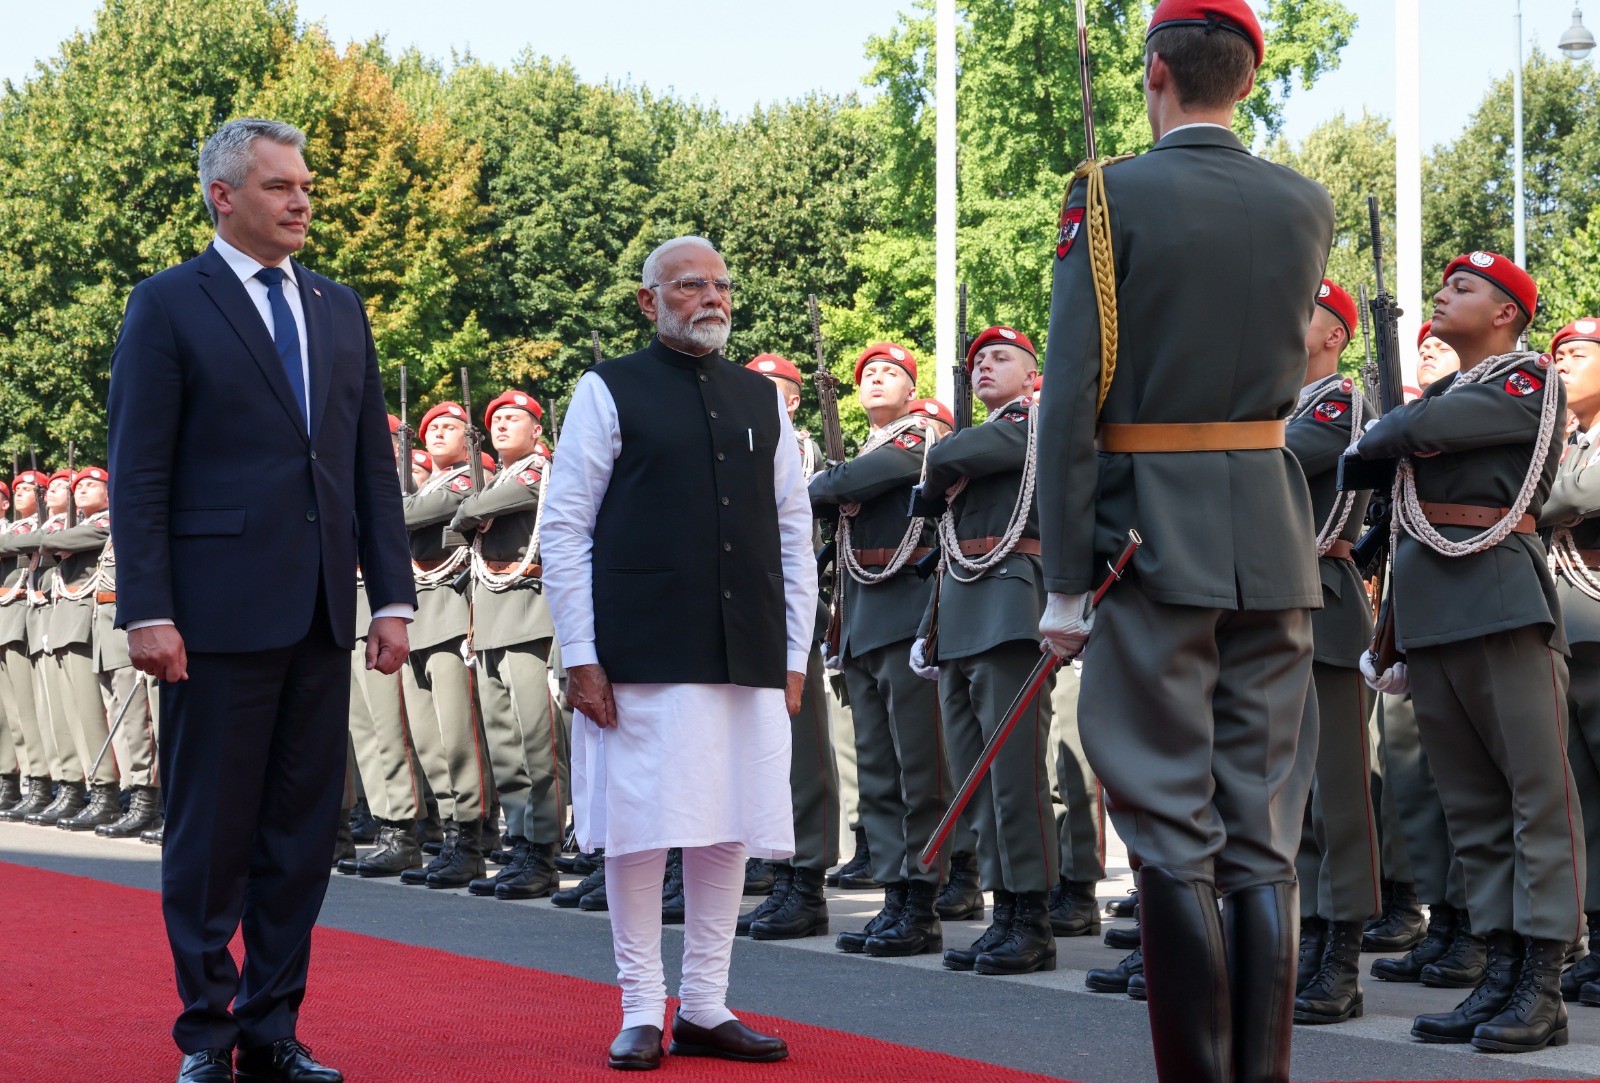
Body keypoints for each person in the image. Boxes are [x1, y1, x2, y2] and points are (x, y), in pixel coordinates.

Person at [1035, 3, 1335, 1079]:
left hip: (1147, 539)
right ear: (1246, 81)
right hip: (1268, 526)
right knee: (1261, 834)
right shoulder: (1305, 202)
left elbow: (1069, 400)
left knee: (1168, 828)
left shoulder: (1106, 191)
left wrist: (1064, 578)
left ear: (1156, 71)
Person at [107, 117, 414, 1083]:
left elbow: (370, 468)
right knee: (211, 833)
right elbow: (139, 470)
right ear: (223, 196)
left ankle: (272, 1026)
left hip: (322, 611)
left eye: (307, 186)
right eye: (281, 186)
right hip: (213, 618)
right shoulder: (167, 305)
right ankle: (207, 1031)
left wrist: (394, 596)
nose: (302, 201)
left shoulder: (338, 306)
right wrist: (146, 606)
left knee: (300, 831)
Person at [541, 235, 812, 1071]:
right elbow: (564, 527)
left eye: (722, 284)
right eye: (691, 284)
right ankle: (639, 1007)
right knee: (638, 830)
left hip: (748, 647)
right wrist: (581, 653)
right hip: (638, 650)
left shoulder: (763, 399)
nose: (712, 297)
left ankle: (703, 1004)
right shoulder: (606, 388)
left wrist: (797, 651)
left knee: (726, 823)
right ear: (648, 300)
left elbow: (795, 533)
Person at [1356, 251, 1580, 1053]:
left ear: (1507, 314)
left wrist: (1388, 434)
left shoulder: (1525, 382)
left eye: (1465, 288)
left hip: (1498, 602)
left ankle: (1542, 983)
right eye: (1445, 284)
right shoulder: (1457, 389)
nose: (1444, 296)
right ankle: (1497, 967)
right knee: (1474, 811)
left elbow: (1421, 428)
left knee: (1535, 800)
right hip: (1433, 614)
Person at [910, 325, 1061, 975]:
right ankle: (1004, 911)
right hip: (965, 608)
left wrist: (939, 465)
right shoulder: (984, 441)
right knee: (976, 779)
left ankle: (1031, 916)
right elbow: (947, 540)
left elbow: (946, 458)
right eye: (975, 361)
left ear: (1033, 375)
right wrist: (929, 627)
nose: (983, 367)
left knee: (1014, 777)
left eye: (1000, 358)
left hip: (1007, 606)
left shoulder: (1032, 421)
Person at [810, 342, 954, 958]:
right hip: (864, 617)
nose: (874, 380)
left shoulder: (919, 436)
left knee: (918, 768)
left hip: (905, 614)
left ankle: (921, 900)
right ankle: (894, 892)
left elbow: (856, 482)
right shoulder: (869, 448)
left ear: (910, 385)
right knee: (878, 770)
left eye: (889, 373)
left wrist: (826, 482)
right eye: (866, 374)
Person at [1281, 282, 1381, 1026]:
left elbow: (1285, 456)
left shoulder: (1337, 400)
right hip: (1274, 605)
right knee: (1294, 798)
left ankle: (1341, 959)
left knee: (1337, 796)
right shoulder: (1274, 405)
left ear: (1333, 335)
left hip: (1324, 597)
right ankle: (1307, 941)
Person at [735, 353, 840, 941]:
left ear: (792, 399)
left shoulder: (796, 448)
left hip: (785, 607)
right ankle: (777, 872)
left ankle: (806, 883)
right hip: (743, 611)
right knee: (759, 754)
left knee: (802, 755)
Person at [449, 390, 567, 901]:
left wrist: (467, 514)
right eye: (495, 420)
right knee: (504, 744)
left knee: (536, 743)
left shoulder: (536, 471)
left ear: (536, 429)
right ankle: (520, 841)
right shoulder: (498, 474)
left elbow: (481, 507)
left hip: (526, 613)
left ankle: (543, 851)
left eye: (513, 418)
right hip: (492, 617)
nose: (501, 426)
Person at [397, 400, 493, 891]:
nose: (437, 433)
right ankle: (451, 836)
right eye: (431, 428)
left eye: (449, 427)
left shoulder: (460, 482)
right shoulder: (422, 483)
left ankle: (470, 842)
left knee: (458, 739)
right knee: (429, 742)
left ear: (468, 440)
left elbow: (407, 515)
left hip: (450, 614)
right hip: (416, 617)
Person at [1536, 316, 1600, 1005]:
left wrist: (1525, 497)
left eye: (1578, 356)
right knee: (1583, 796)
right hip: (1566, 631)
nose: (1562, 368)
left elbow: (1575, 496)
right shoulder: (1563, 442)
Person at [45, 466, 125, 831]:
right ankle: (76, 787)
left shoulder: (106, 523)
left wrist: (51, 539)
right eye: (76, 487)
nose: (79, 491)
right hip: (63, 624)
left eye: (90, 485)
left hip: (87, 626)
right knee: (66, 718)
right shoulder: (69, 530)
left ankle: (107, 791)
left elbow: (50, 544)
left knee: (99, 718)